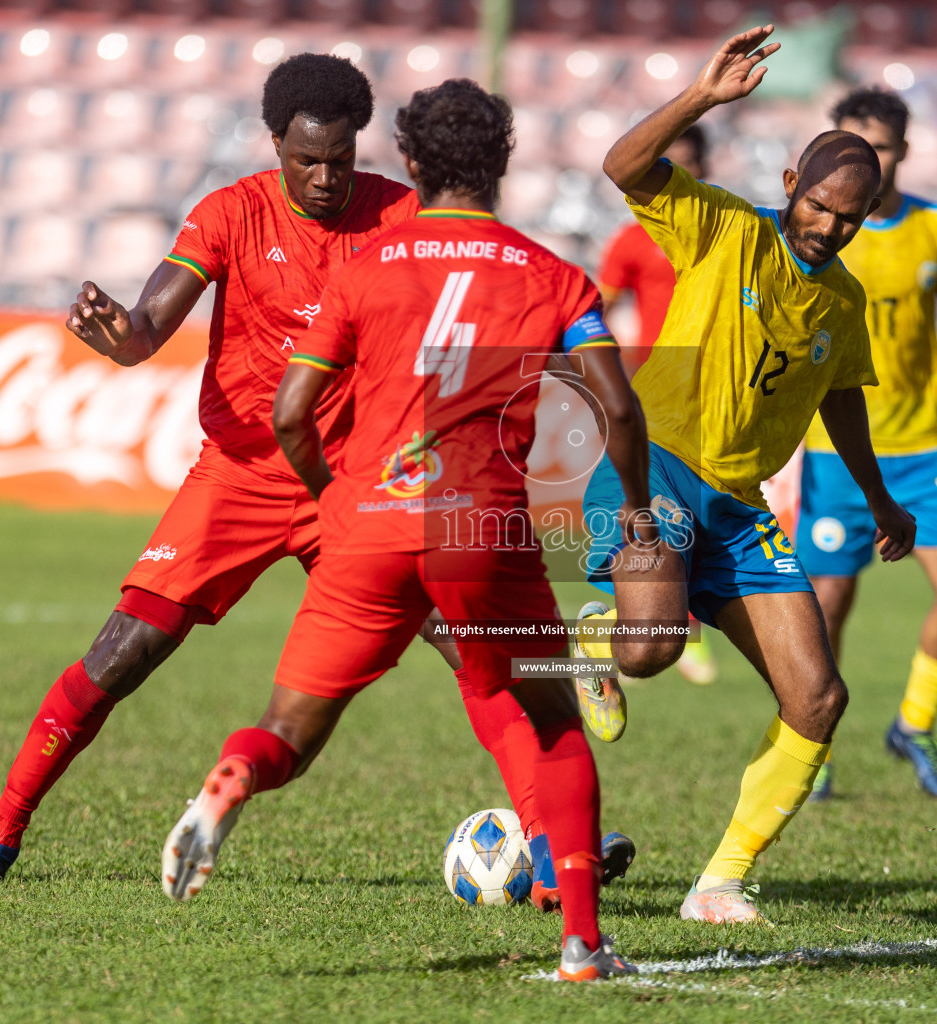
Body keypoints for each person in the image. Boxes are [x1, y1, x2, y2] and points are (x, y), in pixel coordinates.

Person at [0, 55, 634, 900]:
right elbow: (151, 324)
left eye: (340, 158)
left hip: (366, 479)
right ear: (275, 146)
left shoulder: (404, 216)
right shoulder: (229, 215)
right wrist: (121, 338)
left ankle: (557, 843)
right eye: (307, 160)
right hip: (240, 476)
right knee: (122, 654)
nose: (327, 177)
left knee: (472, 649)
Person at [160, 79, 648, 982]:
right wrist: (637, 510)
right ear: (502, 164)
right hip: (484, 534)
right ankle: (582, 944)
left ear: (412, 164)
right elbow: (616, 405)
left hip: (370, 530)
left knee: (289, 734)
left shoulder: (363, 266)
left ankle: (231, 776)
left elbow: (293, 412)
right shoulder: (554, 275)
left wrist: (339, 497)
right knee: (554, 722)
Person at [574, 26, 916, 925]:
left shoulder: (844, 300)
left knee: (820, 695)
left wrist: (882, 499)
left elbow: (841, 398)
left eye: (851, 215)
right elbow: (623, 164)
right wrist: (700, 97)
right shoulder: (725, 228)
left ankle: (719, 881)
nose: (830, 225)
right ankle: (594, 641)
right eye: (821, 205)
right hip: (654, 472)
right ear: (790, 187)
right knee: (648, 651)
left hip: (741, 508)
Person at [799, 87, 937, 802]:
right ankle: (811, 742)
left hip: (923, 448)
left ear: (904, 152)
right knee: (827, 602)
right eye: (850, 143)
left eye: (879, 147)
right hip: (834, 453)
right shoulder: (812, 232)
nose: (864, 159)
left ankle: (914, 724)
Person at [596, 125, 720, 688]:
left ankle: (641, 621)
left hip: (715, 391)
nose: (679, 173)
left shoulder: (723, 233)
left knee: (701, 509)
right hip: (649, 390)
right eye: (669, 163)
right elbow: (599, 308)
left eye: (689, 163)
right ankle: (651, 621)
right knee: (649, 510)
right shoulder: (631, 238)